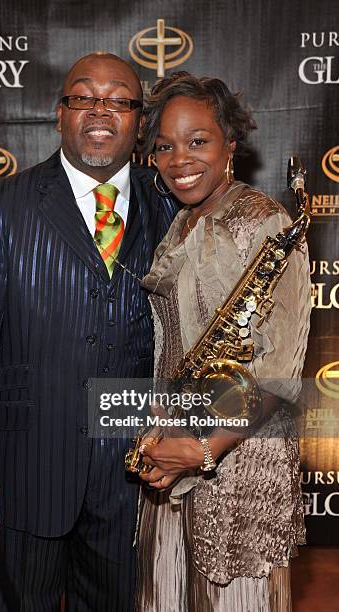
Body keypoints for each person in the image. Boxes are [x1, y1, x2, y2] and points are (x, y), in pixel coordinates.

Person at [0, 52, 178, 612]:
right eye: (83, 96)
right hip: (28, 468)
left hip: (134, 476)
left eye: (119, 99)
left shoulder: (172, 203)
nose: (101, 110)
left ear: (140, 121)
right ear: (59, 112)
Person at [135, 73, 311, 611]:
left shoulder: (265, 223)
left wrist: (207, 449)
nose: (179, 159)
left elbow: (279, 366)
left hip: (237, 456)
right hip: (176, 449)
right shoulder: (184, 223)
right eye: (164, 146)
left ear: (230, 145)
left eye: (198, 141)